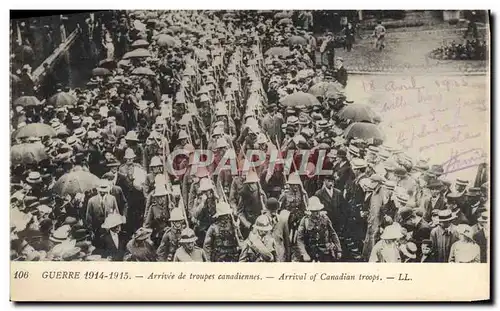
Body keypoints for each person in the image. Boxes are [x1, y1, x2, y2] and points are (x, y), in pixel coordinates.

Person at [296, 196, 342, 262]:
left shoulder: (325, 218)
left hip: (325, 251)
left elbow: (333, 234)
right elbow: (300, 239)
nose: (317, 213)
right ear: (311, 211)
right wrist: (304, 253)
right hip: (311, 252)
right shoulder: (305, 220)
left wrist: (339, 250)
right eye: (315, 211)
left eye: (318, 210)